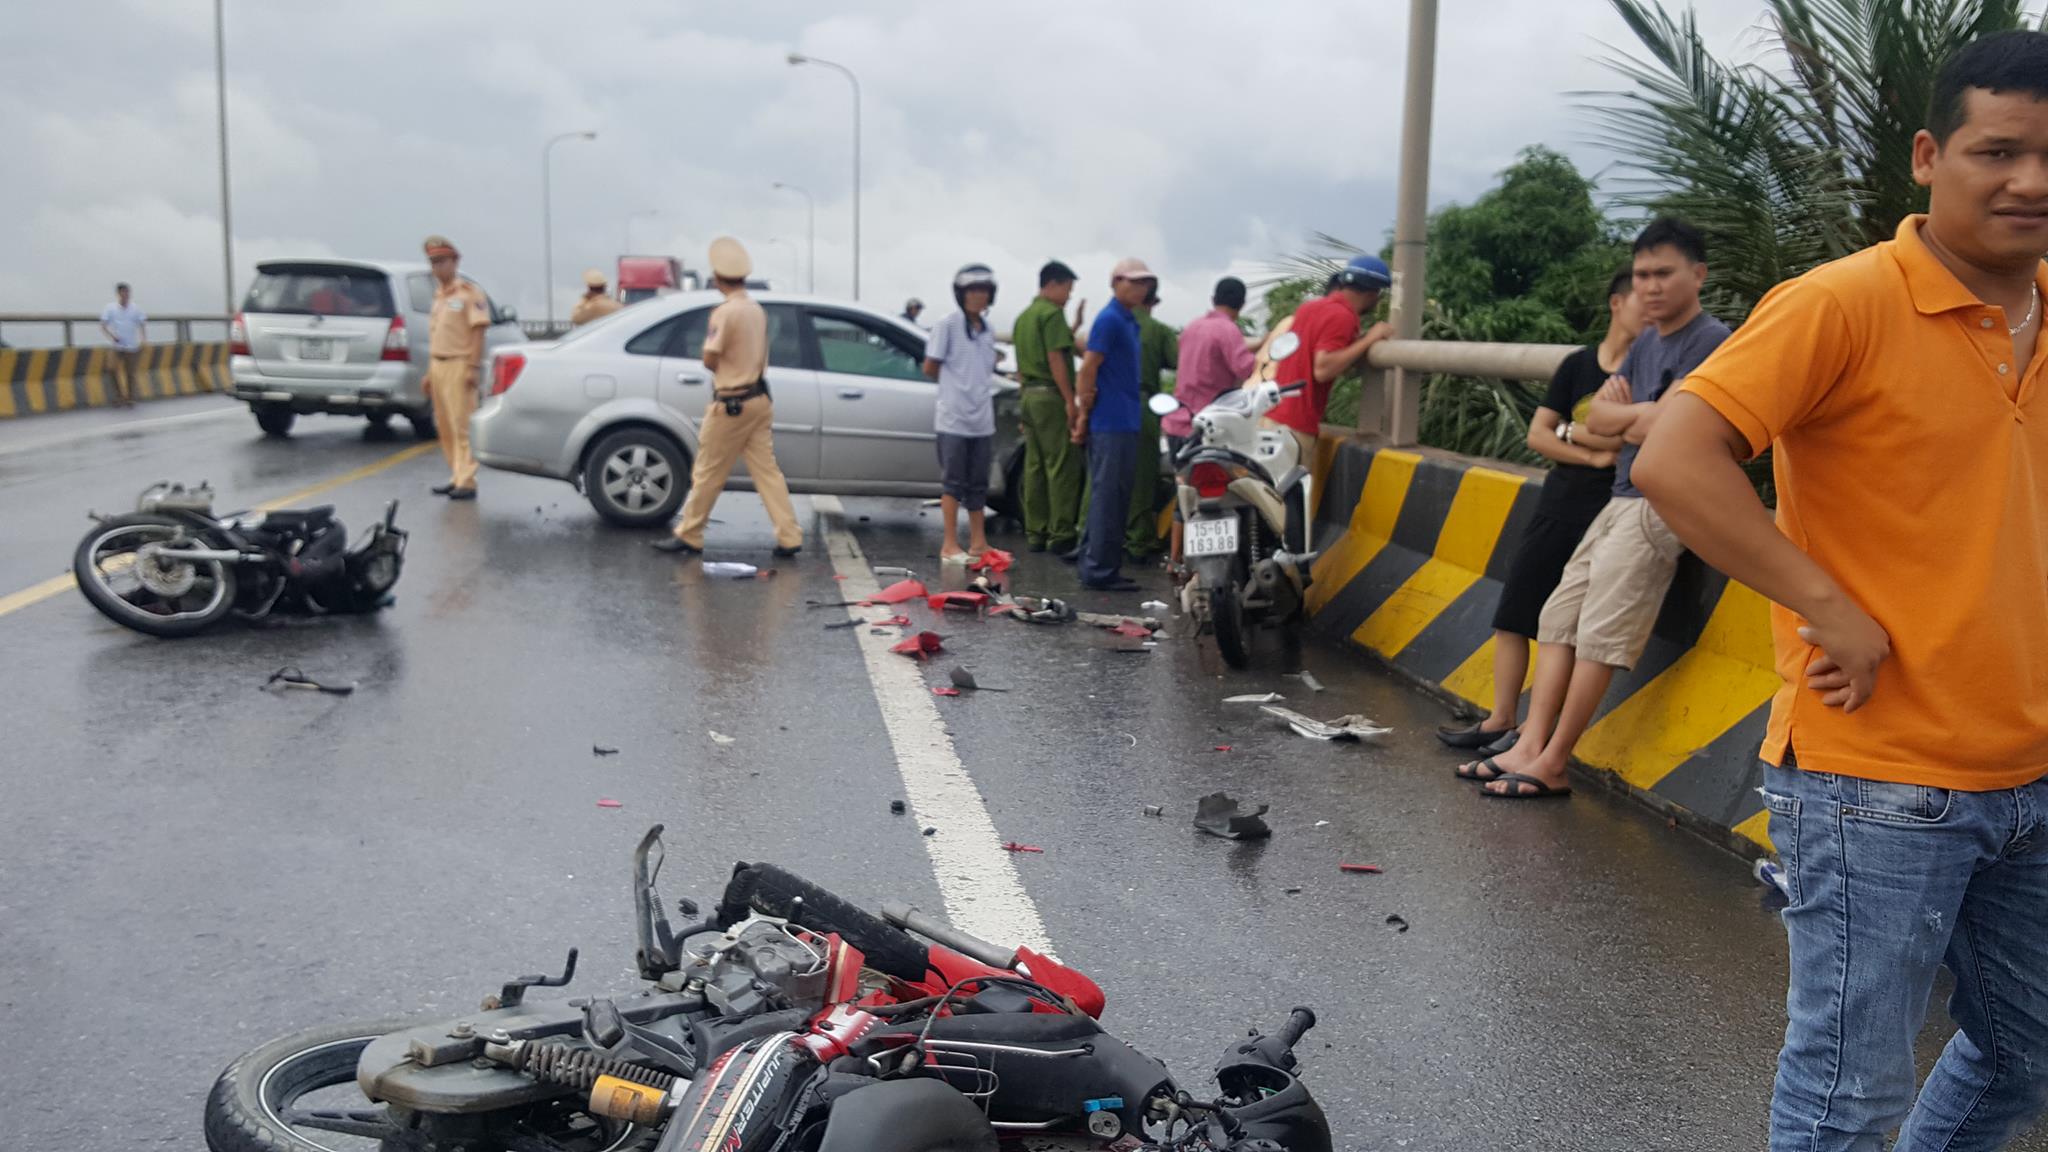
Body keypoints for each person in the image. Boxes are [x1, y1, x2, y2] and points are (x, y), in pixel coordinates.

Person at [1634, 32, 2048, 1150]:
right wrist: (1822, 604)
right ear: (1926, 154)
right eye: (1997, 151)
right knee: (1846, 1093)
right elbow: (1675, 459)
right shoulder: (1842, 303)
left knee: (2025, 1050)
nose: (2030, 182)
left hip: (2028, 769)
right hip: (1874, 776)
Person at [1459, 217, 1729, 798]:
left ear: (1698, 274)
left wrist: (1628, 418)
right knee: (1559, 618)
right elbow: (1593, 420)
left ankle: (1555, 759)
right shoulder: (1650, 342)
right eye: (1641, 275)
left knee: (1601, 633)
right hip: (1617, 497)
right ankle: (1529, 744)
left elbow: (1673, 425)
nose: (1651, 286)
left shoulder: (1712, 342)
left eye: (1664, 273)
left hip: (1659, 504)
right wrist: (1638, 418)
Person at [1437, 266, 1645, 751]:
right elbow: (1538, 435)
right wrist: (1590, 447)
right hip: (1558, 503)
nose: (1653, 309)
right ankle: (1501, 718)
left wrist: (1575, 433)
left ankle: (1535, 732)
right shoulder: (1578, 365)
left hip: (1611, 511)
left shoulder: (1648, 371)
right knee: (1515, 611)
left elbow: (1631, 435)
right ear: (1617, 303)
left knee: (1571, 626)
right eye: (1642, 297)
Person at [653, 237, 803, 557]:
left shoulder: (724, 312)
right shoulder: (757, 310)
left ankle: (690, 533)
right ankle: (789, 535)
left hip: (731, 402)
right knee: (767, 471)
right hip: (760, 399)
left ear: (718, 279)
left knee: (708, 469)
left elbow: (710, 357)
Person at [1163, 277, 1262, 566]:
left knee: (1185, 490)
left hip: (1178, 423)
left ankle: (1175, 560)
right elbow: (1244, 368)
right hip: (1210, 428)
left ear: (1213, 298)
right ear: (1241, 304)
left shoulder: (1192, 328)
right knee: (1220, 491)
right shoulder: (1228, 330)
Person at [1071, 259, 1154, 591]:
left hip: (1124, 418)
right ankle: (1099, 570)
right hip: (1111, 420)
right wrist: (1084, 406)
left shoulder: (1127, 319)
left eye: (1145, 282)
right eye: (1134, 282)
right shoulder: (1109, 319)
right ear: (1116, 282)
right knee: (1108, 496)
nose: (1140, 288)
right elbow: (1089, 365)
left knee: (1113, 494)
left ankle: (1097, 564)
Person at [1266, 256, 1394, 456]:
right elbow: (1323, 369)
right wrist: (1370, 339)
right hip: (1295, 426)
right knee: (1289, 487)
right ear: (1372, 294)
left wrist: (1356, 344)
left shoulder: (1310, 307)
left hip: (1273, 415)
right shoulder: (1342, 316)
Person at [922, 264, 1002, 563]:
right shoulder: (947, 325)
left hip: (981, 419)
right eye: (972, 291)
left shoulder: (988, 330)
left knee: (978, 484)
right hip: (953, 418)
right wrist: (955, 388)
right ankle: (950, 544)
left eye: (983, 291)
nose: (978, 296)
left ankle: (979, 543)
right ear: (961, 294)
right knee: (953, 483)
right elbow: (930, 366)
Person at [1011, 261, 1085, 553]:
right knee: (1061, 464)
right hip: (1050, 395)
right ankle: (1061, 532)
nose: (1068, 296)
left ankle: (1035, 531)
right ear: (1053, 284)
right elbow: (1056, 358)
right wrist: (1070, 401)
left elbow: (1020, 364)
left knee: (1035, 465)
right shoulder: (1052, 314)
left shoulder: (1024, 317)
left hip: (1028, 394)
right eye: (1067, 289)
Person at [421, 236, 490, 500]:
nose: (437, 268)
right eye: (433, 262)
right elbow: (437, 336)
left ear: (455, 261)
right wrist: (429, 372)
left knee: (461, 424)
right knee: (444, 424)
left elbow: (478, 331)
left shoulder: (469, 293)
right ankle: (456, 474)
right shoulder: (439, 296)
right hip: (439, 364)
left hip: (460, 363)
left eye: (442, 261)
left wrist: (473, 367)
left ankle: (467, 479)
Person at [1124, 284, 1180, 560]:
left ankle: (1113, 535)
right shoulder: (1157, 330)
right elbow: (1177, 360)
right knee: (1143, 476)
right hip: (1143, 405)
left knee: (1112, 474)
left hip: (1113, 405)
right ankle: (1139, 540)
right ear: (1152, 301)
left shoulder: (1113, 323)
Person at [99, 282, 146, 408]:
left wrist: (143, 339)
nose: (126, 295)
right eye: (123, 292)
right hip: (117, 345)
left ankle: (130, 397)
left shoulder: (135, 308)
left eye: (127, 292)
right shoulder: (110, 308)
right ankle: (119, 395)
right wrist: (111, 336)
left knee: (130, 372)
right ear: (118, 294)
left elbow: (141, 324)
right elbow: (103, 325)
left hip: (132, 345)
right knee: (111, 368)